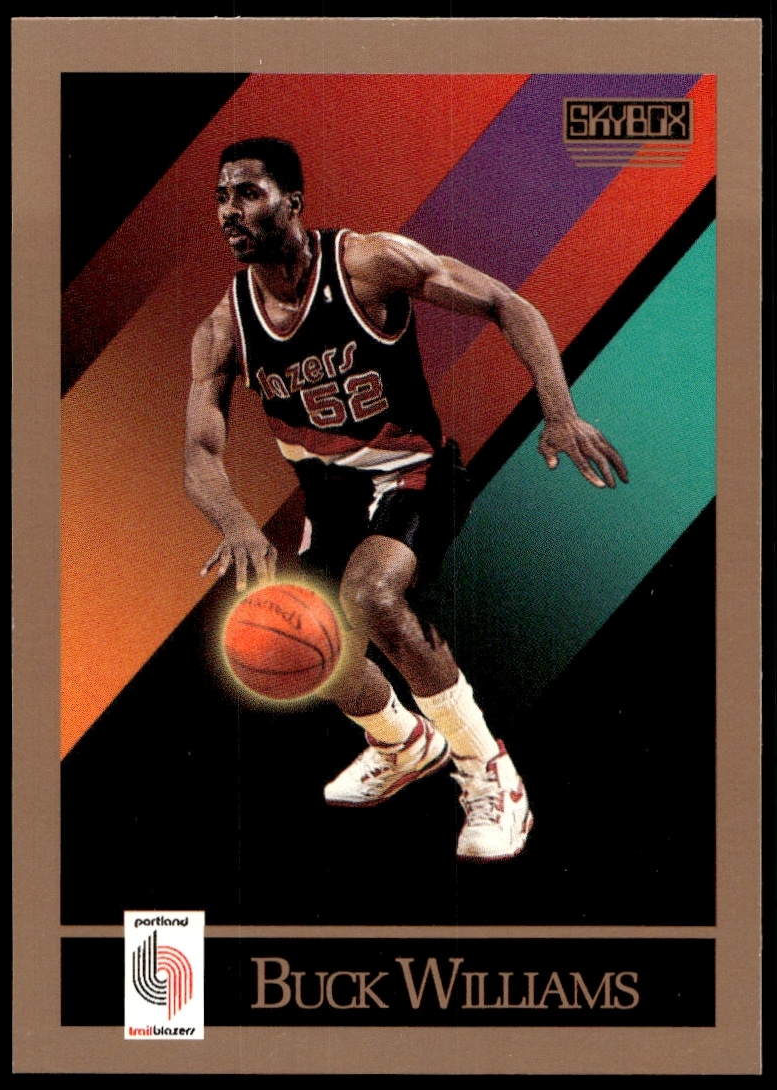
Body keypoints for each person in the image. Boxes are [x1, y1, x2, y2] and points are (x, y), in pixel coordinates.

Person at [184, 137, 628, 863]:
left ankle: (491, 773)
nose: (230, 211)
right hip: (328, 497)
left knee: (370, 597)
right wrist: (235, 522)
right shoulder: (224, 327)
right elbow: (200, 452)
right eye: (222, 197)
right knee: (296, 641)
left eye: (249, 193)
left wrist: (559, 412)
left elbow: (506, 303)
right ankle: (401, 742)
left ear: (292, 203)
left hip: (414, 472)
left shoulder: (367, 263)